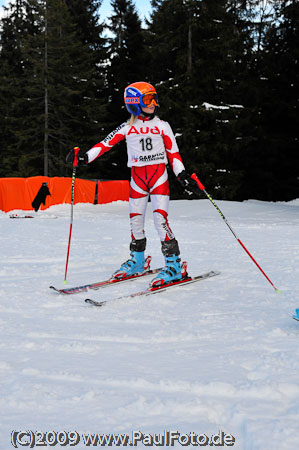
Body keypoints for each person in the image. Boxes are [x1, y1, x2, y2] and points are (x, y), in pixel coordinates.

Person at [67, 81, 198, 287]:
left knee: (159, 220)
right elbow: (105, 144)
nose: (154, 103)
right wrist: (84, 158)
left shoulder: (163, 126)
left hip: (158, 179)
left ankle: (174, 266)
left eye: (154, 98)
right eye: (148, 99)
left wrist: (182, 174)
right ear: (135, 103)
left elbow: (173, 154)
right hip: (138, 180)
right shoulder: (127, 127)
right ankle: (138, 262)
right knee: (135, 222)